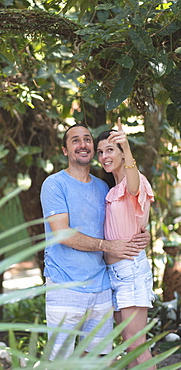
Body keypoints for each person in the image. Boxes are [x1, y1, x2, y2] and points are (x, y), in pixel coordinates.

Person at [40, 123, 150, 361]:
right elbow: (62, 233)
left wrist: (143, 232)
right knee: (60, 361)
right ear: (65, 150)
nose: (83, 144)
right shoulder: (54, 184)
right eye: (75, 140)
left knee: (98, 361)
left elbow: (128, 209)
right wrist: (107, 246)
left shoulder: (103, 188)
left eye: (87, 139)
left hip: (101, 287)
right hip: (64, 285)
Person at [96, 118, 155, 369]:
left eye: (110, 150)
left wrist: (127, 148)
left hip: (130, 271)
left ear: (122, 153)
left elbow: (133, 184)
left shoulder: (135, 182)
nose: (104, 156)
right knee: (128, 345)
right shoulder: (112, 189)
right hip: (115, 273)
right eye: (101, 152)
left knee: (135, 345)